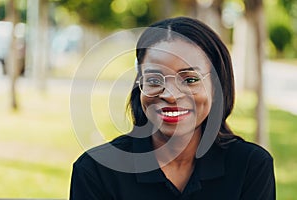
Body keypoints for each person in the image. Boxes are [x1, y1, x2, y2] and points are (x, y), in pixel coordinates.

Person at [69, 17, 275, 200]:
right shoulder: (95, 171)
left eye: (190, 79)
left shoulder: (251, 167)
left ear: (217, 86)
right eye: (154, 79)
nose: (170, 95)